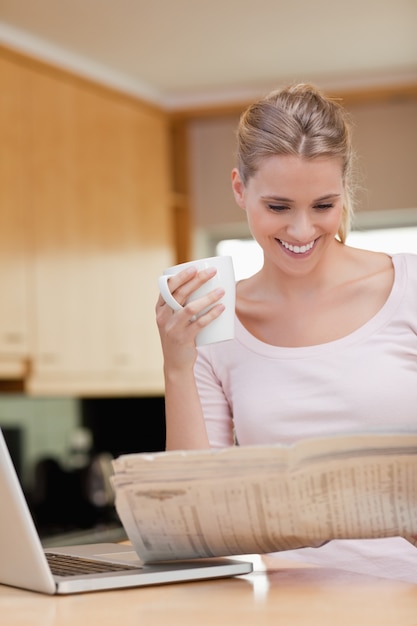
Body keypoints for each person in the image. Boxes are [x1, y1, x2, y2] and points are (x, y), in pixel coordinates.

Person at [155, 83, 417, 581]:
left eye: (323, 206)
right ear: (240, 189)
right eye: (278, 207)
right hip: (287, 605)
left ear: (344, 192)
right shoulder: (217, 318)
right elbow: (193, 525)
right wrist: (177, 364)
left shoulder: (411, 288)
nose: (301, 231)